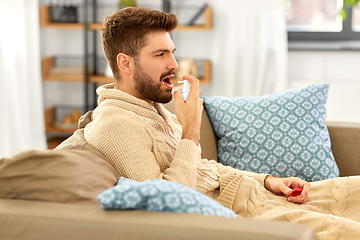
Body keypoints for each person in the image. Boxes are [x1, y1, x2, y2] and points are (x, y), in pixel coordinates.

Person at [57, 7, 360, 239]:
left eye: (172, 53)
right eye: (160, 54)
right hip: (247, 214)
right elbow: (168, 206)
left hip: (256, 194)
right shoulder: (116, 126)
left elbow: (205, 169)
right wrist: (191, 129)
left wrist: (268, 180)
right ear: (125, 63)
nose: (173, 65)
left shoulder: (151, 107)